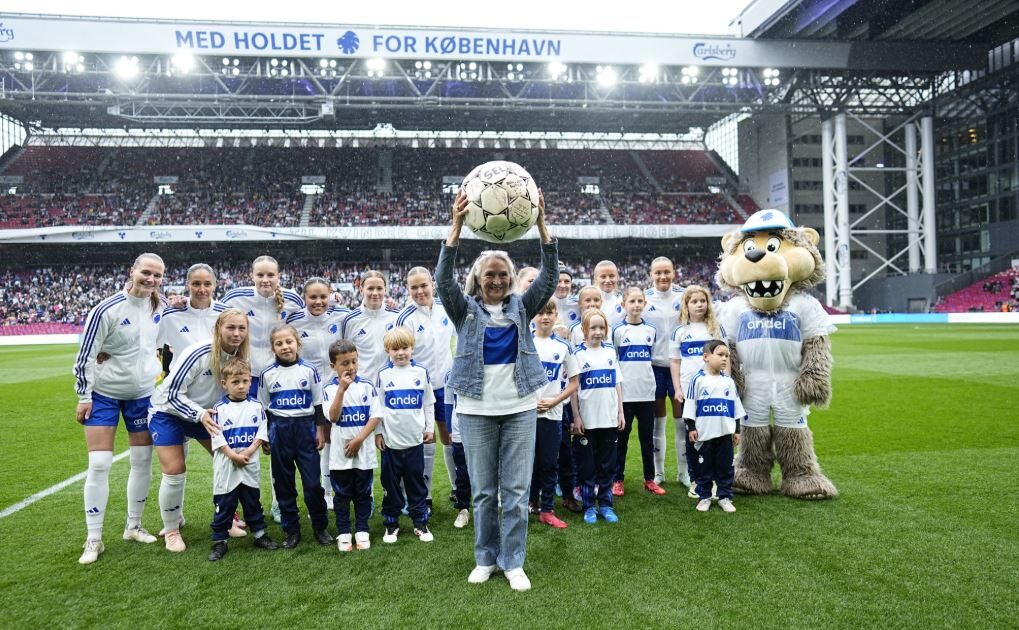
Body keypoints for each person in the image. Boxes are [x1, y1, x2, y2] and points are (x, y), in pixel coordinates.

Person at [435, 189, 557, 593]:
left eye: (503, 274)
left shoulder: (523, 307)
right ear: (478, 279)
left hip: (521, 408)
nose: (498, 280)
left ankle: (514, 561)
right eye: (490, 274)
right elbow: (442, 280)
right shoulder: (463, 309)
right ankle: (486, 558)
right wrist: (455, 227)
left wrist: (541, 224)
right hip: (475, 412)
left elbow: (549, 276)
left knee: (517, 492)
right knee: (485, 493)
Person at [73, 253, 165, 564]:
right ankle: (94, 538)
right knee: (99, 464)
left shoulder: (160, 308)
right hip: (104, 395)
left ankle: (133, 526)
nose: (150, 279)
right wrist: (84, 396)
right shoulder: (105, 309)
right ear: (133, 271)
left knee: (142, 461)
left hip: (142, 395)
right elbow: (86, 355)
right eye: (146, 273)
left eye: (157, 275)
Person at [148, 308, 251, 553]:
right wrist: (200, 414)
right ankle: (171, 530)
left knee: (228, 462)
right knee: (175, 470)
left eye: (241, 328)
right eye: (230, 328)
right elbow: (171, 394)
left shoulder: (242, 357)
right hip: (169, 412)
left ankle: (227, 517)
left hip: (206, 415)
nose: (236, 334)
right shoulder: (198, 352)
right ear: (218, 329)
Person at [258, 324, 332, 549]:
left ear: (297, 343)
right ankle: (291, 530)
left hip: (304, 429)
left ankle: (320, 527)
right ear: (273, 348)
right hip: (280, 430)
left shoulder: (309, 370)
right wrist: (266, 437)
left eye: (288, 342)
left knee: (312, 484)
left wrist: (319, 430)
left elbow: (318, 403)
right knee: (284, 484)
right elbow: (263, 409)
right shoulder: (267, 374)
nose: (285, 347)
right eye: (279, 343)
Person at [395, 267, 456, 507]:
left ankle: (456, 488)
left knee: (450, 436)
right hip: (419, 389)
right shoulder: (405, 316)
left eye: (424, 285)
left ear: (432, 284)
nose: (420, 291)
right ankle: (426, 494)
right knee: (425, 438)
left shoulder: (447, 307)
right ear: (408, 289)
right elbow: (399, 352)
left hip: (447, 385)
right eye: (414, 287)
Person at [207, 358, 279, 561]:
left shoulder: (256, 407)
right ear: (225, 384)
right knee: (225, 505)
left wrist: (248, 452)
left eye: (245, 381)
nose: (241, 386)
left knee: (252, 503)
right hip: (227, 466)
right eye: (235, 382)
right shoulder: (218, 409)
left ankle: (260, 535)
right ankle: (220, 541)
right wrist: (233, 455)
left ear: (250, 381)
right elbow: (217, 438)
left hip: (249, 465)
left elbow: (261, 434)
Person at [287, 277, 348, 509]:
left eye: (323, 296)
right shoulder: (294, 320)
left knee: (332, 442)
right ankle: (303, 495)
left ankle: (329, 491)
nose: (318, 301)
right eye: (313, 297)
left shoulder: (341, 315)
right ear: (304, 297)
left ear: (331, 295)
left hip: (334, 391)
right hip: (306, 393)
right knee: (313, 444)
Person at [375, 328, 435, 544]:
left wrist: (429, 428)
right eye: (395, 349)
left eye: (404, 348)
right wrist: (379, 433)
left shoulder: (421, 372)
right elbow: (378, 407)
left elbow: (428, 403)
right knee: (390, 486)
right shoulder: (383, 375)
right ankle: (391, 525)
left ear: (412, 348)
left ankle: (420, 523)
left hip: (414, 442)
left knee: (416, 484)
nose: (400, 353)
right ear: (387, 351)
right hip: (391, 443)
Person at [322, 340, 382, 552]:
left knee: (363, 493)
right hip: (341, 455)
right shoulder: (329, 389)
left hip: (363, 452)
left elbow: (375, 416)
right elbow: (333, 417)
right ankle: (344, 531)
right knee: (342, 495)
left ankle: (362, 530)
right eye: (344, 363)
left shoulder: (367, 386)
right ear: (333, 366)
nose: (350, 367)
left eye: (354, 361)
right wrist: (341, 390)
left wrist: (358, 440)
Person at [217, 256, 304, 396]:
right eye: (260, 275)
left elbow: (311, 313)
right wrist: (186, 301)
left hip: (279, 372)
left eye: (270, 275)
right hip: (245, 374)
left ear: (279, 276)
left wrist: (332, 300)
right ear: (252, 276)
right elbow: (211, 312)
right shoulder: (236, 297)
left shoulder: (292, 299)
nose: (265, 280)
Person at [669, 285, 726, 498]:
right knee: (693, 436)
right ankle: (696, 479)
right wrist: (677, 388)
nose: (699, 305)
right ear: (686, 305)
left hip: (714, 392)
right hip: (690, 393)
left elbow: (725, 359)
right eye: (694, 301)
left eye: (703, 300)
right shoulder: (680, 331)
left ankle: (717, 479)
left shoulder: (716, 329)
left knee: (716, 435)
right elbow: (675, 362)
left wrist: (726, 383)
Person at [571, 309, 625, 525]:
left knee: (607, 465)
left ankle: (605, 504)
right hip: (587, 421)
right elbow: (574, 390)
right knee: (587, 467)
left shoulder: (610, 353)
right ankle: (588, 507)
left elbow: (617, 384)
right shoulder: (577, 354)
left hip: (609, 419)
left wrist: (620, 411)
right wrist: (576, 417)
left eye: (601, 327)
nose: (597, 331)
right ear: (584, 330)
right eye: (593, 327)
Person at [530, 299, 579, 529]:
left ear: (556, 314)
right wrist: (530, 402)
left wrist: (553, 401)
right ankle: (528, 503)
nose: (545, 317)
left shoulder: (564, 346)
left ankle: (547, 509)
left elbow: (574, 382)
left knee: (549, 463)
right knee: (525, 464)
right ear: (533, 316)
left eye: (549, 312)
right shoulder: (523, 343)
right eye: (540, 313)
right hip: (525, 414)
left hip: (552, 414)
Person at [611, 287, 664, 496]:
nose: (636, 305)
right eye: (631, 301)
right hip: (625, 394)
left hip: (646, 394)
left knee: (647, 439)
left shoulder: (651, 330)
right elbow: (614, 362)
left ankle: (649, 479)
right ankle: (618, 479)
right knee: (621, 439)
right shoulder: (617, 330)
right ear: (624, 304)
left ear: (645, 304)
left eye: (639, 301)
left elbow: (651, 360)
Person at [682, 340, 745, 513]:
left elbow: (736, 408)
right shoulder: (698, 380)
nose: (725, 359)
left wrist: (737, 430)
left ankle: (724, 497)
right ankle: (705, 497)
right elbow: (690, 406)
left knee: (725, 467)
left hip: (725, 434)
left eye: (727, 356)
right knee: (704, 468)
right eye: (720, 355)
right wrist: (691, 427)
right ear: (706, 357)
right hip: (705, 434)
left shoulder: (729, 382)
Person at [642, 257, 685, 486]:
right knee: (659, 421)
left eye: (666, 272)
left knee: (681, 420)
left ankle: (683, 473)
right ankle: (659, 473)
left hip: (679, 367)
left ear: (673, 272)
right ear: (651, 274)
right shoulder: (645, 298)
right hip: (655, 366)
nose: (662, 276)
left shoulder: (684, 295)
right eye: (658, 272)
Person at [157, 263, 220, 371]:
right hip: (181, 383)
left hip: (214, 383)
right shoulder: (170, 315)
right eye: (196, 284)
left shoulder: (225, 314)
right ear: (187, 285)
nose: (202, 289)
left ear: (214, 285)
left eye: (207, 284)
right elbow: (151, 344)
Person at [341, 270, 400, 382]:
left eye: (379, 288)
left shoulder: (395, 315)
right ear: (361, 289)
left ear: (385, 290)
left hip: (391, 384)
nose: (375, 293)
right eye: (370, 288)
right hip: (362, 386)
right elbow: (346, 355)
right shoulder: (351, 320)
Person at [444, 370, 472, 529]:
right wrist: (449, 428)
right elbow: (448, 402)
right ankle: (463, 509)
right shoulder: (451, 373)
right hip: (459, 428)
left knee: (488, 467)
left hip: (481, 426)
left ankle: (492, 506)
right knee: (462, 471)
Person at [593, 260, 625, 326]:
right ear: (595, 279)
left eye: (611, 276)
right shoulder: (587, 301)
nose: (607, 280)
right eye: (603, 277)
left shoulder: (623, 301)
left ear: (617, 277)